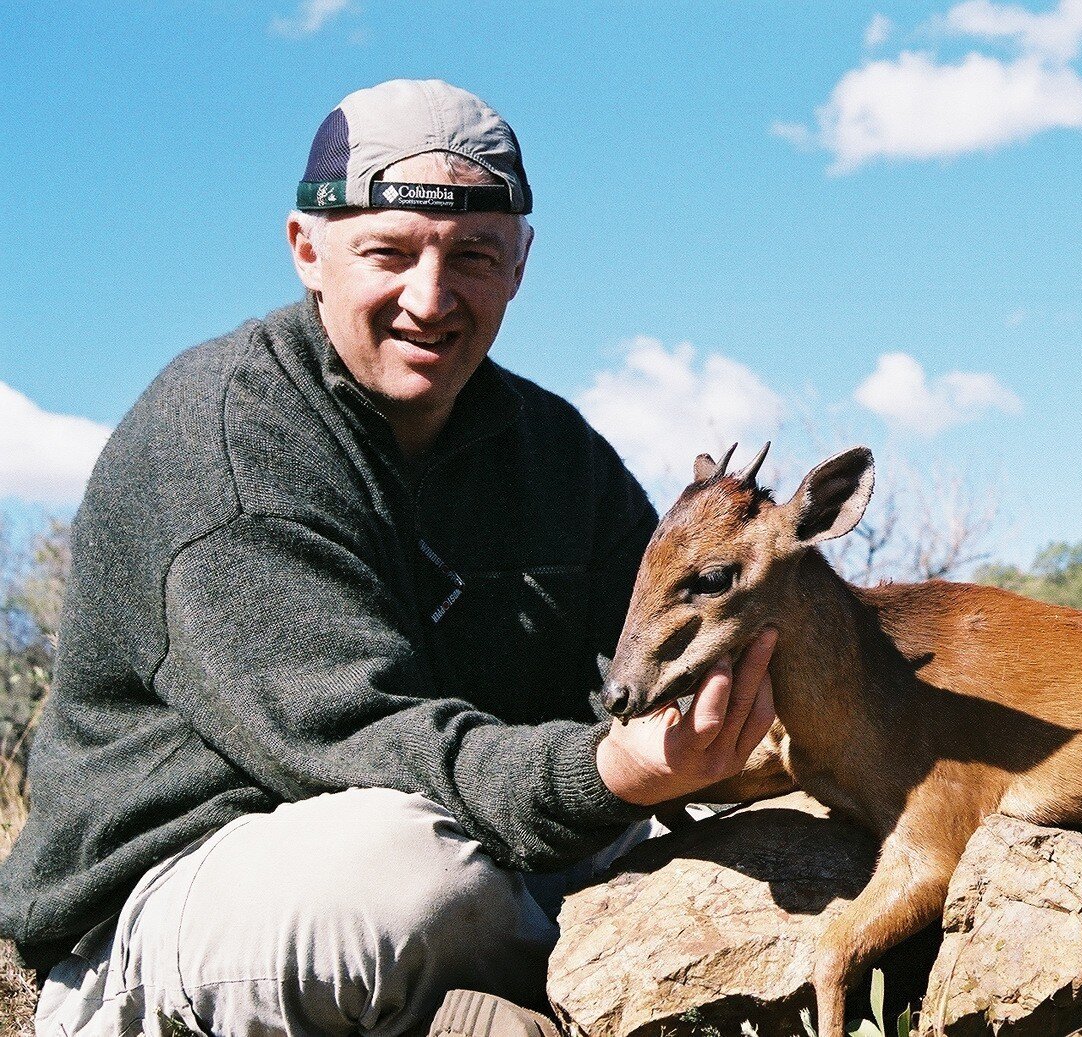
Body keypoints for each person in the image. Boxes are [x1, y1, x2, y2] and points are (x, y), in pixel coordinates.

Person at [0, 78, 777, 1037]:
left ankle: (498, 1004)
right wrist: (610, 776)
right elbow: (361, 741)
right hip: (183, 907)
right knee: (400, 878)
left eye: (474, 256)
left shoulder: (557, 451)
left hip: (491, 855)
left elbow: (648, 658)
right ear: (307, 251)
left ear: (521, 263)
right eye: (390, 252)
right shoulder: (226, 431)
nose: (432, 298)